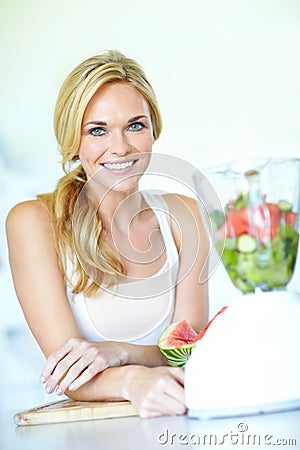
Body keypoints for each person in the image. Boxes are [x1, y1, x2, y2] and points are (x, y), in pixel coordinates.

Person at [6, 50, 209, 418]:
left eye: (135, 126)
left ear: (153, 130)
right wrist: (133, 381)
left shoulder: (184, 216)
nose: (121, 147)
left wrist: (120, 352)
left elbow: (188, 350)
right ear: (73, 141)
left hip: (177, 424)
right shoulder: (34, 222)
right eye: (97, 130)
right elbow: (69, 372)